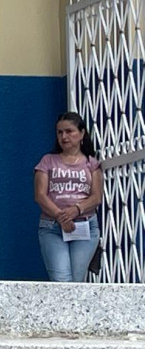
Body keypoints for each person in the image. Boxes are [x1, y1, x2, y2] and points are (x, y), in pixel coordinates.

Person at [34, 112, 102, 282]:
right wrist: (61, 216)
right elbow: (40, 195)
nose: (64, 136)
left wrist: (76, 209)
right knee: (61, 280)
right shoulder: (47, 160)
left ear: (82, 133)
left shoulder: (91, 163)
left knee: (76, 282)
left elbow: (96, 196)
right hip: (53, 226)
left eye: (69, 131)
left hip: (84, 226)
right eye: (59, 132)